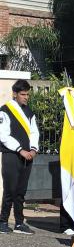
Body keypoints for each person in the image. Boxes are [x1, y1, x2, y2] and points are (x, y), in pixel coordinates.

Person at [0, 80, 39, 235]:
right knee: (10, 189)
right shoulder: (5, 110)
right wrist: (20, 150)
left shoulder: (29, 111)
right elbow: (3, 135)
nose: (26, 97)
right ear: (14, 94)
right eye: (23, 94)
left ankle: (19, 223)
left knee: (21, 190)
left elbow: (34, 132)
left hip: (27, 155)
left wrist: (34, 149)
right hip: (11, 155)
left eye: (27, 94)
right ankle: (3, 221)